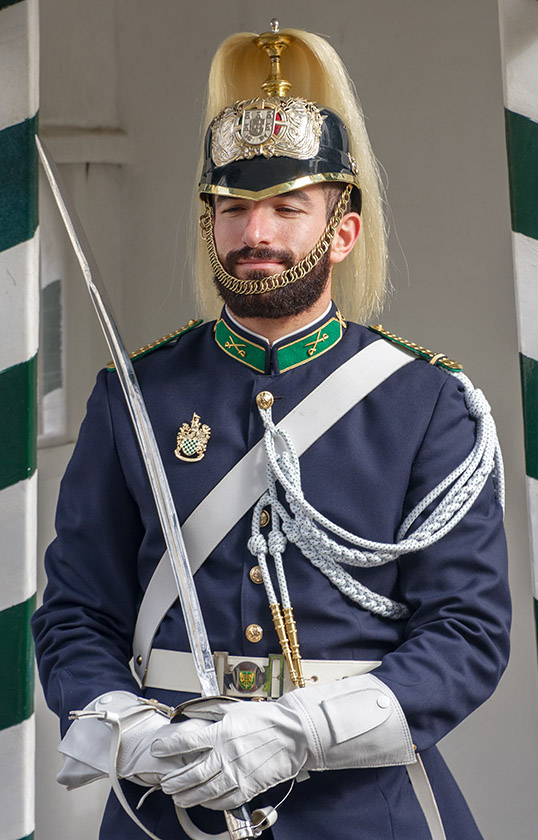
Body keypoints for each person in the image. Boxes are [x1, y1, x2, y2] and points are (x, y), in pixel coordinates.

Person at [32, 22, 510, 840]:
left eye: (288, 208)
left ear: (343, 231)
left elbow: (467, 635)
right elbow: (77, 614)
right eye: (234, 209)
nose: (256, 235)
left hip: (367, 812)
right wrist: (130, 731)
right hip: (169, 804)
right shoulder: (135, 396)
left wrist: (300, 730)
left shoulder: (428, 404)